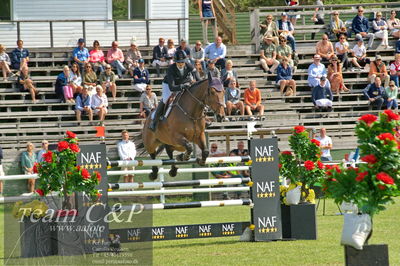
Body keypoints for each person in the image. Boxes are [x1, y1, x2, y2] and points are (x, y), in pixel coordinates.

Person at [149, 50, 200, 131]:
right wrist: (183, 86)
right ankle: (154, 121)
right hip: (168, 85)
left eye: (182, 62)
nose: (180, 64)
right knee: (166, 99)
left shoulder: (188, 65)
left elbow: (195, 72)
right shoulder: (171, 69)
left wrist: (199, 81)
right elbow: (172, 87)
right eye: (178, 62)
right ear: (175, 61)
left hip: (183, 82)